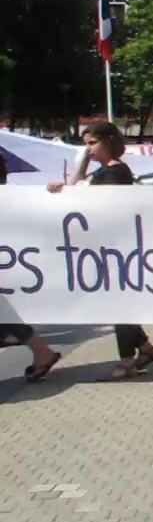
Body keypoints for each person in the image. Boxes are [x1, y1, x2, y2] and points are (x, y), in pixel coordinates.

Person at [48, 122, 153, 380]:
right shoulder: (101, 172)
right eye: (86, 144)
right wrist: (79, 170)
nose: (88, 150)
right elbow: (77, 193)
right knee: (117, 301)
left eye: (92, 143)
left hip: (117, 248)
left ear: (108, 141)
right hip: (105, 246)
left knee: (119, 303)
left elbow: (93, 202)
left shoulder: (116, 172)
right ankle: (145, 347)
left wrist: (72, 185)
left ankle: (127, 360)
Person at [1, 156, 63, 382]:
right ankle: (42, 352)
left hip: (14, 266)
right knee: (5, 316)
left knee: (5, 316)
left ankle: (42, 352)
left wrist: (52, 192)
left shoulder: (11, 201)